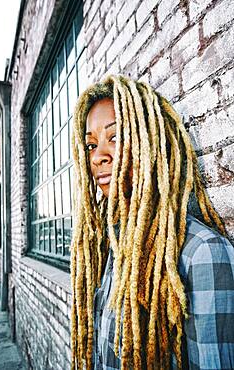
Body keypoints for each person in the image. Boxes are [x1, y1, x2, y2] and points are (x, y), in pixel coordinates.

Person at [70, 75, 234, 370]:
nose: (98, 157)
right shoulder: (111, 247)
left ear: (152, 144)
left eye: (115, 137)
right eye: (91, 145)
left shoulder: (203, 255)